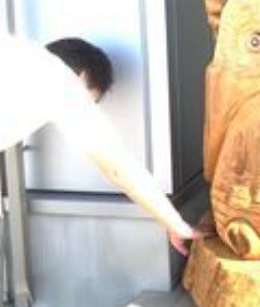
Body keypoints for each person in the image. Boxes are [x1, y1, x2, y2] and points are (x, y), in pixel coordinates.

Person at [0, 35, 211, 255]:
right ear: (81, 76)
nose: (85, 110)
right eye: (90, 103)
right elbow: (117, 165)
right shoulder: (61, 83)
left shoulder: (19, 50)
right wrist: (176, 225)